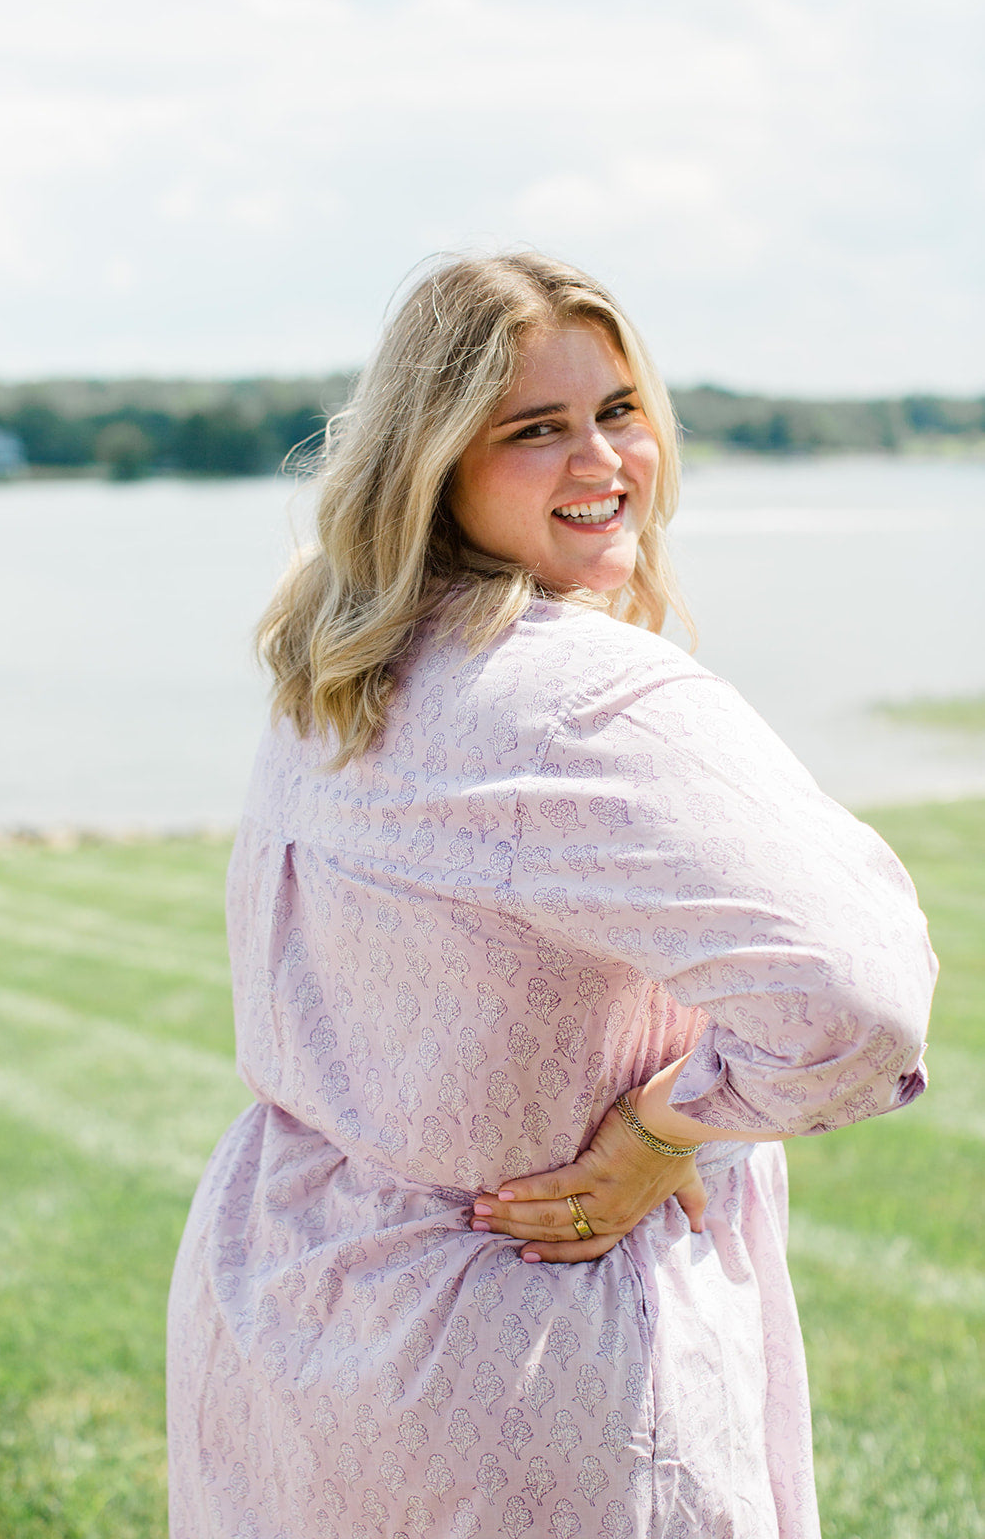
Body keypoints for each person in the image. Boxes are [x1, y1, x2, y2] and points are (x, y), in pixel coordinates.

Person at [166, 250, 935, 1539]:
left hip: (285, 1327)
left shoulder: (336, 666)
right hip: (527, 1358)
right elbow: (856, 999)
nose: (604, 461)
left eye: (620, 411)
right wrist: (669, 1130)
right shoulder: (585, 699)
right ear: (433, 463)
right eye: (538, 429)